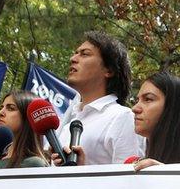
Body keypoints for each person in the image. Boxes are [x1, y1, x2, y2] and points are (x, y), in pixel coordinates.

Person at [50, 31, 144, 165]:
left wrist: (84, 170)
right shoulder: (68, 126)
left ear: (109, 70)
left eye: (85, 54)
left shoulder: (122, 118)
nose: (73, 58)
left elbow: (127, 180)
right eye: (76, 53)